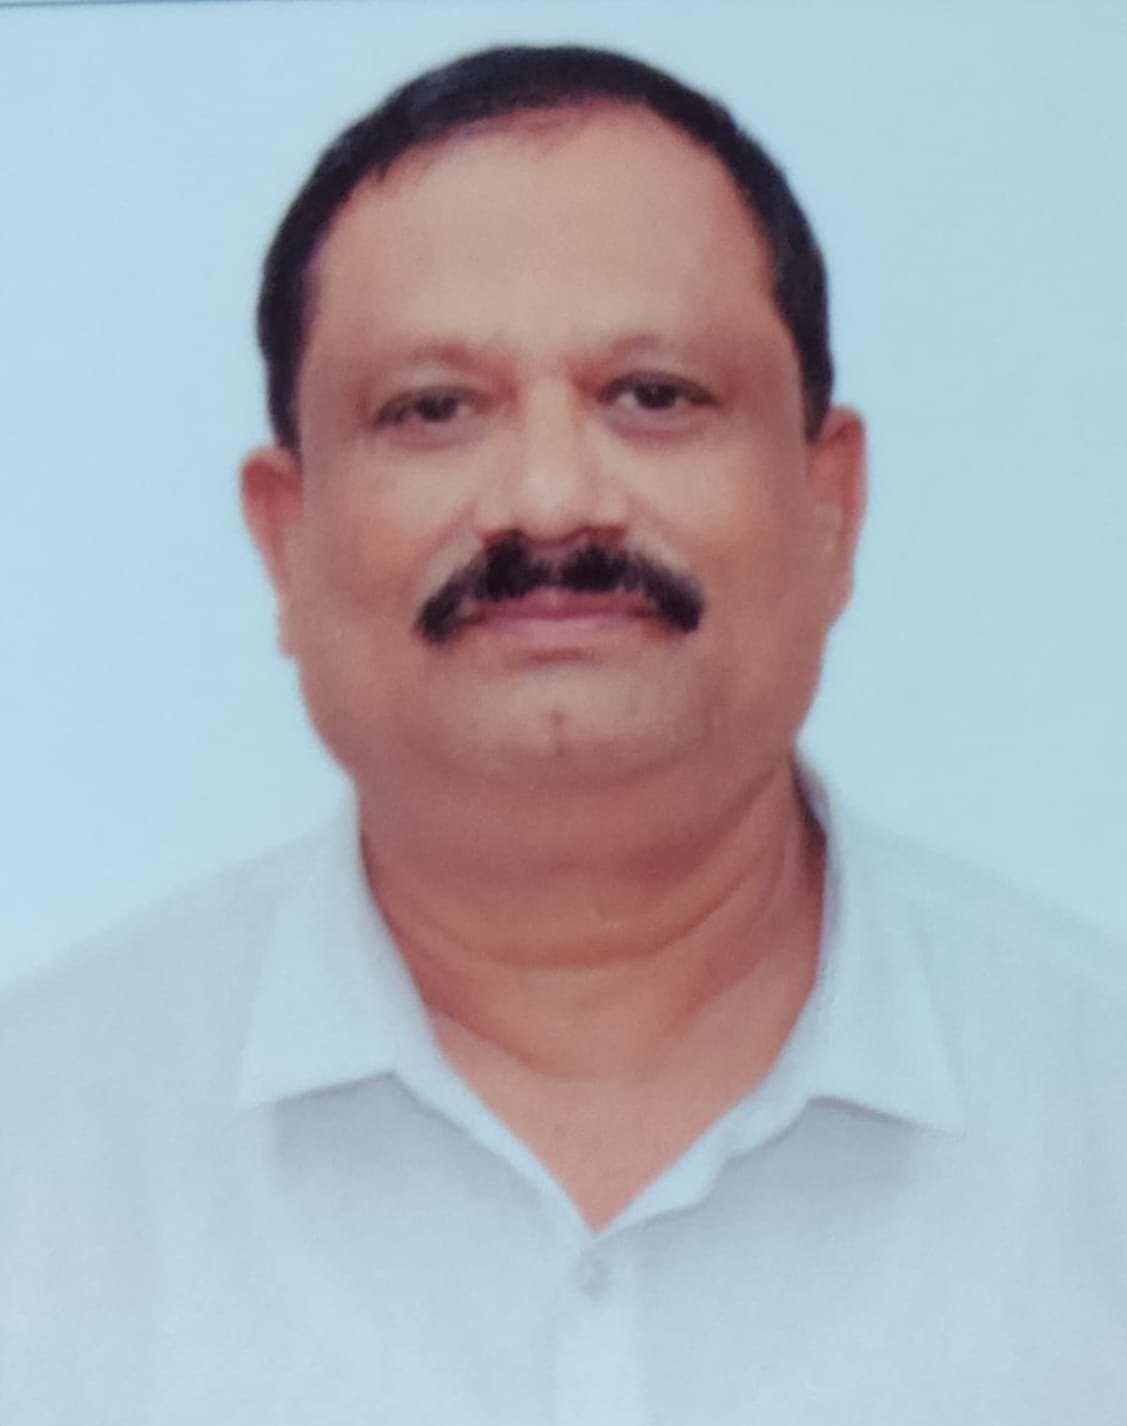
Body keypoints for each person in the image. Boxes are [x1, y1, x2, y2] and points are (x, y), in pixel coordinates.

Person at [2, 42, 1125, 1426]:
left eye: (653, 394)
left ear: (830, 505)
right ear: (286, 540)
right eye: (432, 410)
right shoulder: (34, 1156)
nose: (548, 499)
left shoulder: (1099, 1121)